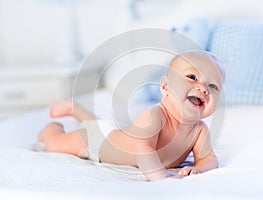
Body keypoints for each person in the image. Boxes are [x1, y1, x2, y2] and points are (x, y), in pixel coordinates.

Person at [37, 51, 225, 181]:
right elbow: (143, 149)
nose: (203, 88)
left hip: (110, 132)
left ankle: (75, 109)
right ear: (165, 87)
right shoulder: (155, 115)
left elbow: (209, 159)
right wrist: (161, 177)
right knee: (56, 143)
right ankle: (50, 130)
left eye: (213, 86)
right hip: (96, 143)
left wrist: (199, 169)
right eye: (192, 77)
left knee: (99, 125)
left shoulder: (199, 130)